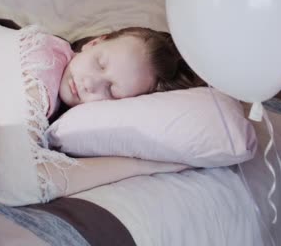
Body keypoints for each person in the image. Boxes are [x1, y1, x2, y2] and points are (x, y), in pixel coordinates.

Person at [30, 26, 205, 197]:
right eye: (99, 63)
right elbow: (25, 178)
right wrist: (143, 166)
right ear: (94, 43)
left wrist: (145, 165)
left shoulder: (65, 118)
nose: (90, 83)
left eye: (111, 90)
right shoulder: (43, 60)